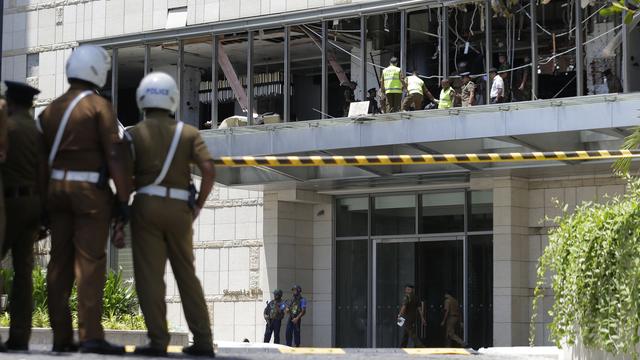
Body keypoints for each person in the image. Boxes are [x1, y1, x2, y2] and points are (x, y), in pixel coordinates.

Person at [38, 45, 132, 355]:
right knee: (89, 265)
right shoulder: (98, 106)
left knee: (58, 264)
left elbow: (39, 161)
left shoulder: (50, 111)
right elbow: (115, 154)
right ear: (95, 71)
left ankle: (61, 337)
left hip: (55, 193)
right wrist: (123, 198)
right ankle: (91, 335)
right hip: (89, 195)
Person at [129, 72, 216, 357]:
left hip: (146, 206)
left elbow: (122, 173)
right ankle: (203, 341)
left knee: (150, 277)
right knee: (186, 275)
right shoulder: (188, 133)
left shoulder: (134, 133)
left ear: (142, 98)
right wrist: (198, 205)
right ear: (173, 99)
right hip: (180, 209)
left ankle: (157, 342)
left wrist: (122, 206)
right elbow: (208, 170)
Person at [0, 81, 45, 352]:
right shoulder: (38, 132)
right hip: (33, 203)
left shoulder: (8, 127)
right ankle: (20, 337)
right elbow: (44, 173)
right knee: (23, 274)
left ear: (12, 102)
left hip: (8, 203)